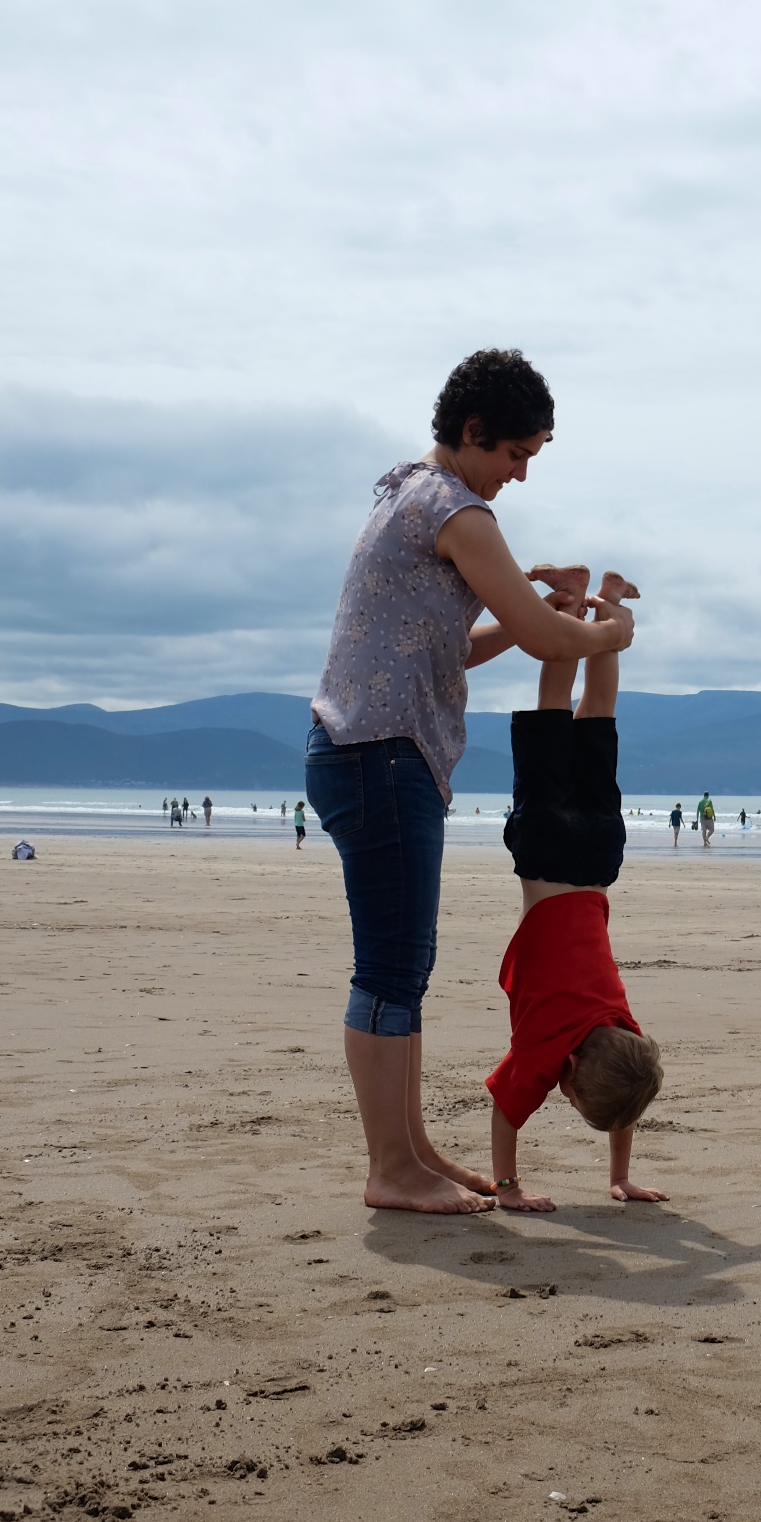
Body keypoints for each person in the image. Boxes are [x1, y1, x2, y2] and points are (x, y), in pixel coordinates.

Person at [306, 347, 634, 1216]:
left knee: (404, 966)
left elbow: (461, 644)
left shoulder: (409, 491)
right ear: (474, 432)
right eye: (517, 454)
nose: (520, 475)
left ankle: (410, 1150)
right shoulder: (459, 511)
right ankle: (391, 1167)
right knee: (389, 969)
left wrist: (553, 624)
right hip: (380, 754)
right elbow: (540, 643)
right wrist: (609, 633)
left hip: (364, 751)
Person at [487, 575, 664, 1213]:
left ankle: (604, 605)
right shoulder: (547, 1048)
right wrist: (507, 1190)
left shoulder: (622, 1028)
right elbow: (506, 1114)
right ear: (571, 1076)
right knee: (551, 714)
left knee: (596, 724)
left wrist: (621, 1178)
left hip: (598, 857)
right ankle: (560, 608)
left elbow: (629, 1089)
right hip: (544, 851)